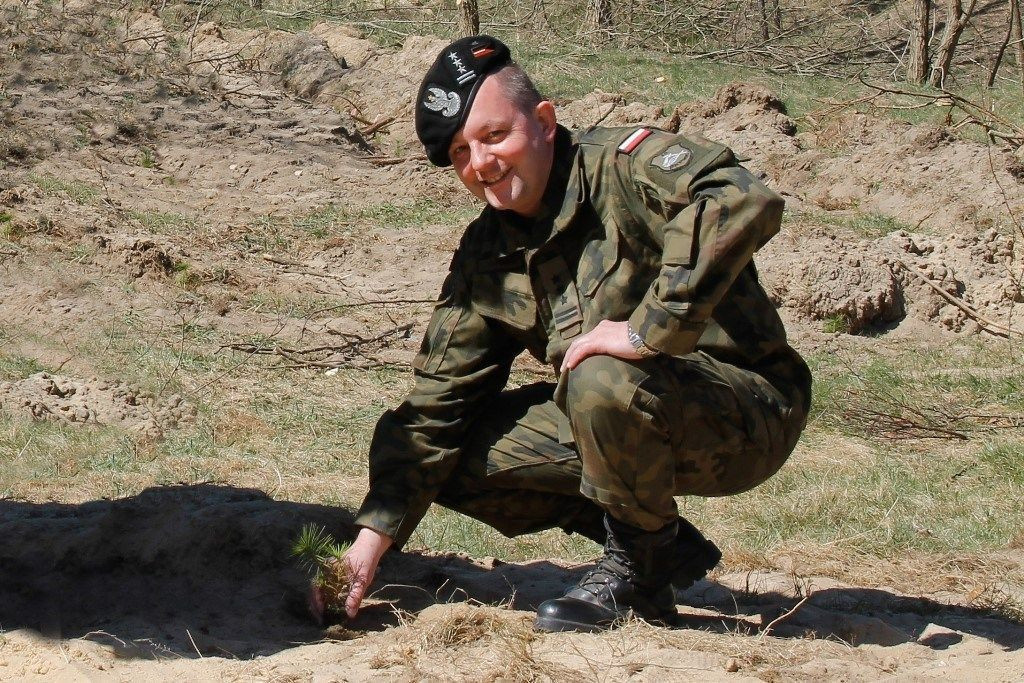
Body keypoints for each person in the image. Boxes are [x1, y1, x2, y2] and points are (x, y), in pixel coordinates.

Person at [312, 35, 812, 633]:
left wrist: (652, 328)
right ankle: (659, 544)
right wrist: (369, 547)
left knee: (601, 375)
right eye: (461, 153)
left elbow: (741, 197)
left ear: (544, 122)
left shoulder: (624, 168)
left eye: (496, 136)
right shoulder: (489, 254)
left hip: (748, 411)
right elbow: (434, 407)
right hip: (620, 413)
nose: (483, 164)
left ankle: (636, 574)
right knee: (448, 458)